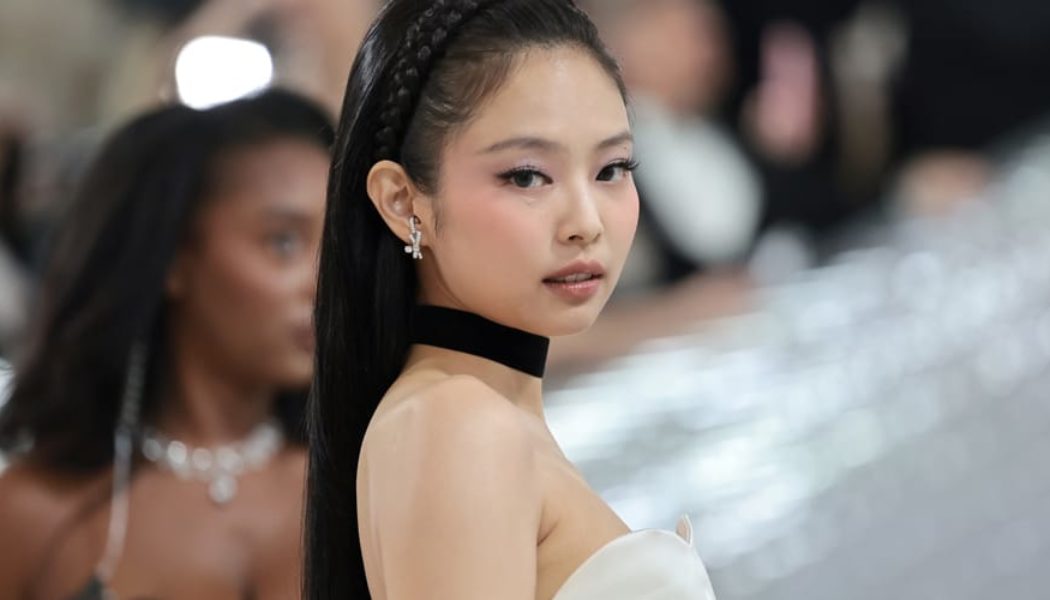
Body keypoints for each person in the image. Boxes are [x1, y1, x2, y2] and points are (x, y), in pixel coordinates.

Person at [305, 1, 717, 598]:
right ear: (401, 201)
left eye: (611, 168)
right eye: (526, 176)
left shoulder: (475, 415)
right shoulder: (462, 425)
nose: (585, 223)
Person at [0, 89, 333, 599]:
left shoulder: (358, 488)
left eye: (334, 248)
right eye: (283, 242)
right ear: (173, 258)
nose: (324, 282)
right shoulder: (39, 512)